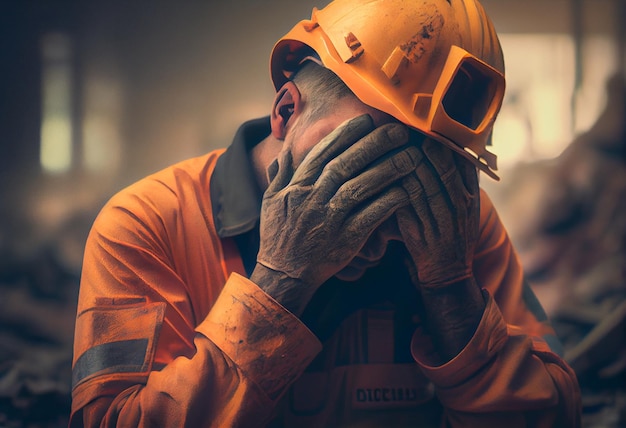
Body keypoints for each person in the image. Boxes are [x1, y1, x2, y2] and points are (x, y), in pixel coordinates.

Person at [70, 0, 582, 426]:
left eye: (421, 179)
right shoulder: (147, 224)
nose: (378, 229)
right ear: (286, 111)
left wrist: (452, 292)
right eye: (360, 162)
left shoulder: (457, 224)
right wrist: (279, 282)